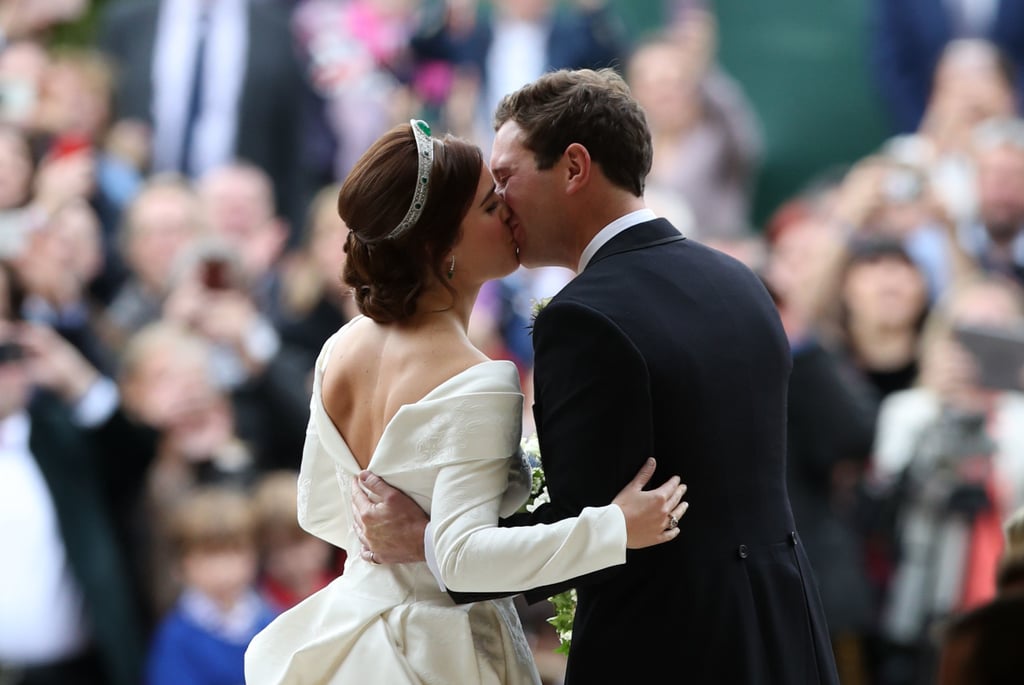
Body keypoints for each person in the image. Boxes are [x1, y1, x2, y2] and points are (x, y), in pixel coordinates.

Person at [352, 68, 840, 684]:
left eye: (506, 177)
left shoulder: (584, 318)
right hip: (787, 633)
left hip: (668, 651)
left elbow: (593, 530)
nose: (499, 203)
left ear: (575, 168)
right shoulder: (740, 281)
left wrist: (429, 544)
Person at [243, 119, 688, 684]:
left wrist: (408, 541)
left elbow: (321, 509)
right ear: (439, 247)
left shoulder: (342, 346)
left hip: (353, 640)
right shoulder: (477, 380)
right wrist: (614, 530)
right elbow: (462, 560)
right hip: (440, 656)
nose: (506, 209)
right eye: (486, 205)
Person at [144, 485, 277, 685]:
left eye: (234, 553)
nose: (222, 571)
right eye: (208, 557)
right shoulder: (177, 639)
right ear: (181, 565)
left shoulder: (271, 620)